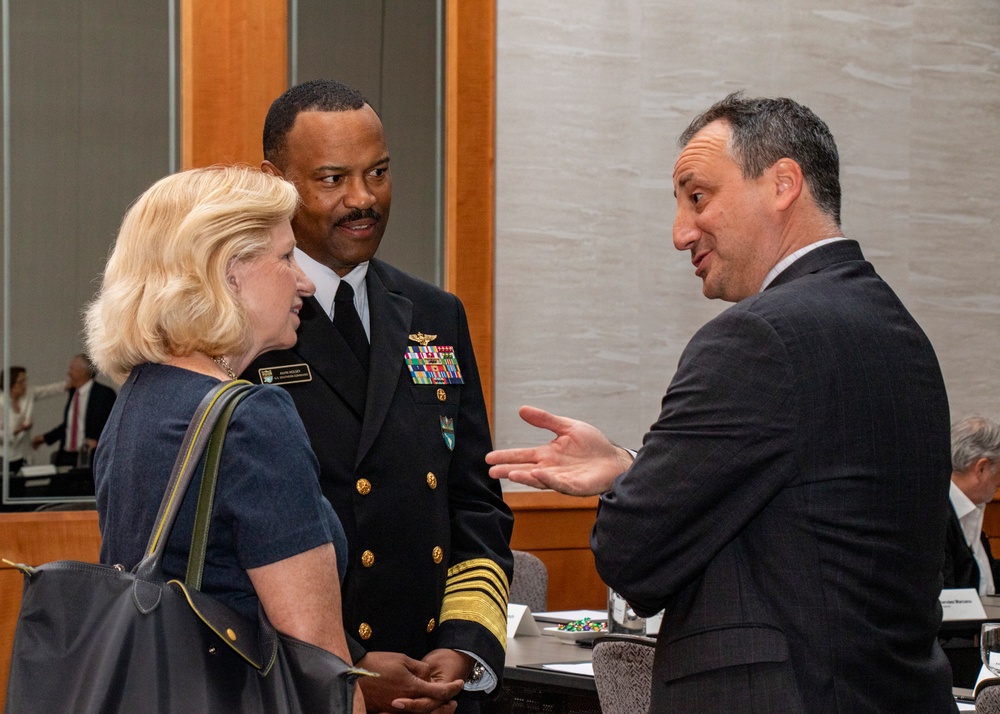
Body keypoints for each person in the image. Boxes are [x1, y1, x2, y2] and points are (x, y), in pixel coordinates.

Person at [487, 93, 955, 712]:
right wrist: (634, 466)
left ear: (783, 182)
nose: (681, 232)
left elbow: (631, 554)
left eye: (698, 196)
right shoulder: (899, 330)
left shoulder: (756, 337)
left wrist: (630, 491)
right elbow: (802, 494)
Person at [244, 79, 513, 714]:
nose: (363, 200)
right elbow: (234, 545)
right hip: (307, 686)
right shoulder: (242, 324)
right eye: (333, 179)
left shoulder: (433, 312)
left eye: (379, 173)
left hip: (436, 681)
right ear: (274, 181)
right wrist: (349, 671)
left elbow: (474, 501)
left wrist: (467, 647)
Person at [84, 166, 365, 713]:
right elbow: (317, 662)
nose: (304, 281)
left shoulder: (140, 397)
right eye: (286, 258)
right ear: (227, 272)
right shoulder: (252, 418)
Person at [944, 416, 1000, 593]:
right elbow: (949, 598)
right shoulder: (935, 519)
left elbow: (985, 578)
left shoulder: (971, 510)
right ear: (981, 468)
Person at [31, 353, 116, 467]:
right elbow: (70, 425)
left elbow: (113, 425)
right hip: (66, 456)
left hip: (89, 457)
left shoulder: (104, 394)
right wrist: (45, 438)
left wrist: (99, 442)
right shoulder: (73, 392)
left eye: (72, 369)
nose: (68, 373)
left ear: (83, 372)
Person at [1, 366, 65, 476]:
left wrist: (69, 385)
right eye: (20, 382)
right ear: (10, 385)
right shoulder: (1, 402)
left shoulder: (28, 394)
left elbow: (48, 390)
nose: (24, 385)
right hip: (4, 457)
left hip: (23, 455)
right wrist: (16, 431)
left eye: (25, 380)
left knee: (21, 488)